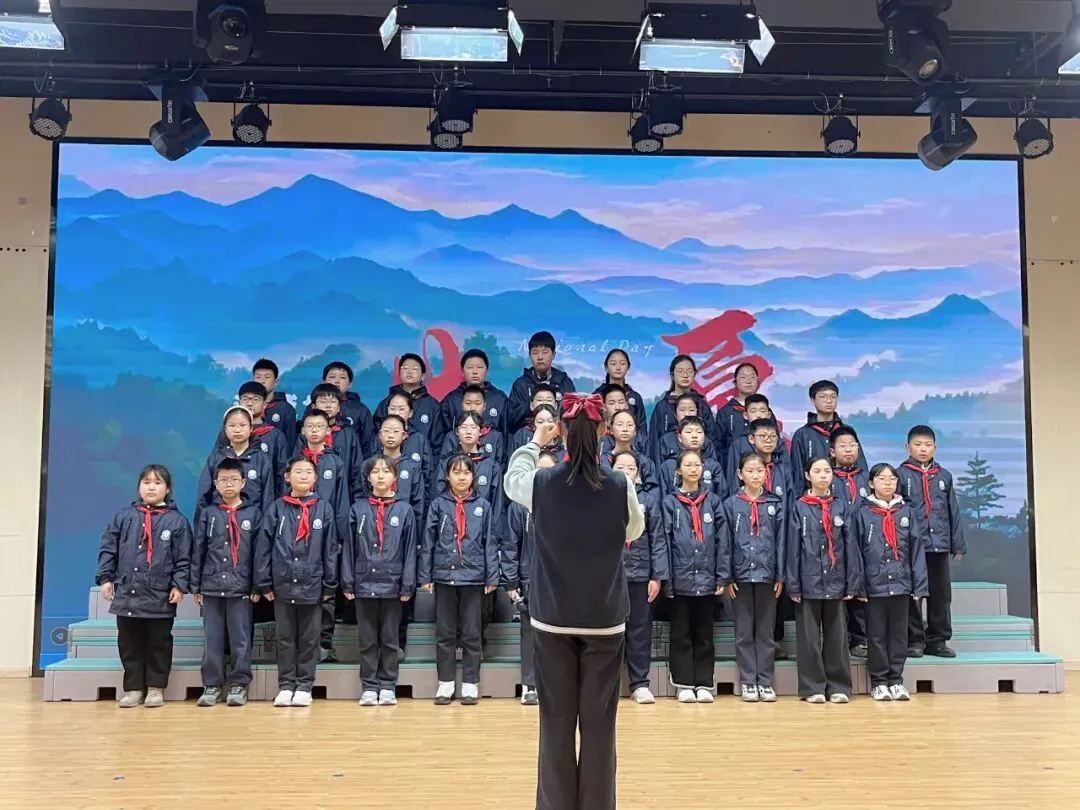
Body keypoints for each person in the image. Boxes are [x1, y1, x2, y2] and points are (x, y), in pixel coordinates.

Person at [504, 392, 645, 810]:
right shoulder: (619, 484)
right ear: (604, 430)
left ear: (560, 430)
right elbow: (634, 529)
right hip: (605, 619)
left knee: (555, 723)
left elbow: (512, 479)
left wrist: (536, 441)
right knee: (599, 727)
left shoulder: (543, 482)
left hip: (552, 619)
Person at [95, 464, 192, 709]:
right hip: (128, 592)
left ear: (167, 489)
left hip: (159, 594)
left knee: (159, 643)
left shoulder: (177, 521)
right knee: (129, 643)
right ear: (139, 487)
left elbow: (184, 558)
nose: (151, 487)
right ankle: (134, 688)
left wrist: (179, 585)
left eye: (158, 483)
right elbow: (109, 549)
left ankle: (156, 688)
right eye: (147, 482)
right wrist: (106, 578)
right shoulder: (124, 517)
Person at [254, 456, 339, 708]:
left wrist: (330, 584)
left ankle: (304, 686)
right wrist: (264, 582)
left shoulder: (323, 509)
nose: (303, 476)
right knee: (285, 638)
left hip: (312, 585)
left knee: (309, 639)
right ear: (287, 477)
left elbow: (329, 549)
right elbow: (264, 547)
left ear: (315, 478)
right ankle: (286, 685)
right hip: (282, 585)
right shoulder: (277, 508)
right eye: (298, 471)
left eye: (308, 472)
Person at [420, 454, 499, 706]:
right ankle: (445, 683)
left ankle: (470, 683)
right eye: (456, 472)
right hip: (444, 576)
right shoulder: (438, 505)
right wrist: (425, 575)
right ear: (447, 476)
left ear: (473, 476)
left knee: (472, 633)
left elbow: (489, 542)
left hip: (473, 577)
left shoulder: (483, 506)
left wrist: (492, 575)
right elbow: (429, 541)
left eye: (466, 472)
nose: (461, 477)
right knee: (444, 633)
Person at [849, 463, 929, 701]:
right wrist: (859, 585)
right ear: (871, 483)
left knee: (898, 635)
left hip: (901, 584)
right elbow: (855, 552)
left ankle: (896, 680)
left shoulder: (906, 513)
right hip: (873, 585)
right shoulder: (862, 513)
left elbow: (916, 550)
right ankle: (879, 681)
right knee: (875, 635)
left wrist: (919, 585)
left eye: (892, 479)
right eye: (882, 478)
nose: (887, 482)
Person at [343, 455, 418, 707]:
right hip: (364, 583)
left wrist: (407, 584)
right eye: (376, 471)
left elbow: (409, 550)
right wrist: (348, 581)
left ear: (394, 477)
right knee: (367, 639)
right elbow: (349, 548)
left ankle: (387, 685)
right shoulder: (358, 509)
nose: (381, 476)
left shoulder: (404, 510)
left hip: (393, 584)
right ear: (368, 477)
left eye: (386, 471)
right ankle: (369, 686)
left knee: (389, 639)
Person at [787, 458, 863, 704]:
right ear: (807, 476)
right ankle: (813, 688)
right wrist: (793, 583)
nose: (823, 475)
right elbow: (792, 549)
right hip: (807, 581)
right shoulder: (799, 507)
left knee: (837, 636)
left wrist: (852, 582)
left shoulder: (841, 506)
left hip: (836, 580)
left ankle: (839, 686)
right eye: (817, 471)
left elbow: (850, 546)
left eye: (827, 471)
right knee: (808, 639)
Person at [192, 458, 261, 708]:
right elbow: (199, 549)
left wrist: (257, 585)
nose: (229, 484)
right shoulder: (209, 513)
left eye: (234, 479)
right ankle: (212, 684)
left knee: (240, 639)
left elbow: (259, 553)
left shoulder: (253, 514)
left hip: (241, 587)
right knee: (212, 639)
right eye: (223, 480)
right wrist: (196, 585)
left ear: (243, 482)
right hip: (211, 585)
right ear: (215, 483)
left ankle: (239, 684)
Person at [662, 449, 727, 703]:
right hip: (680, 579)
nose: (693, 469)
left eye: (697, 465)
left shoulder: (713, 501)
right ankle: (683, 683)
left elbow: (722, 541)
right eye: (688, 465)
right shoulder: (670, 503)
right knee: (681, 634)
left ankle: (704, 683)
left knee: (704, 634)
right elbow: (665, 543)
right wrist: (667, 579)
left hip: (707, 578)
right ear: (678, 470)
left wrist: (721, 576)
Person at [722, 451, 785, 703]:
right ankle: (749, 681)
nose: (755, 475)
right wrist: (728, 576)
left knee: (765, 632)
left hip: (768, 575)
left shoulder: (775, 504)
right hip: (740, 577)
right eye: (750, 471)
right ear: (740, 474)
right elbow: (725, 543)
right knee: (744, 632)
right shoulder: (731, 504)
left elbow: (781, 542)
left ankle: (765, 682)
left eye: (760, 471)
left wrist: (780, 575)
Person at [898, 425, 966, 658]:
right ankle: (914, 640)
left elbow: (952, 511)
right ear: (908, 447)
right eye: (917, 444)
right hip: (913, 547)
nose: (923, 449)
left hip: (939, 544)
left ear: (935, 448)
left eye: (927, 445)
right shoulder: (900, 475)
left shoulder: (944, 476)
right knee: (914, 594)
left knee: (941, 594)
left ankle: (937, 640)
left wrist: (957, 544)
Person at [502, 452, 560, 706]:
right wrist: (511, 581)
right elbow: (510, 545)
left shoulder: (565, 502)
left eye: (548, 470)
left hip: (559, 580)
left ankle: (556, 684)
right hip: (529, 578)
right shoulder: (518, 506)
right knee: (530, 633)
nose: (542, 475)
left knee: (557, 633)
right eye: (538, 470)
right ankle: (530, 684)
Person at [612, 450, 668, 705]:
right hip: (610, 576)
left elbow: (658, 539)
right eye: (620, 468)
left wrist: (656, 576)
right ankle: (608, 683)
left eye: (631, 468)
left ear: (638, 473)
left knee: (640, 631)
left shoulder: (649, 501)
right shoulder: (602, 497)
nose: (626, 472)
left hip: (641, 574)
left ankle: (640, 684)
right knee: (610, 631)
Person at [194, 406, 275, 529]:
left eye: (242, 425)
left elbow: (267, 496)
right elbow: (203, 494)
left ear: (251, 428)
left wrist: (264, 529)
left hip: (252, 525)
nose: (237, 430)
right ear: (225, 429)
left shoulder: (261, 459)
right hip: (218, 524)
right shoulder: (216, 458)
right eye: (232, 425)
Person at [828, 425, 870, 658]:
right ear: (832, 451)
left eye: (852, 445)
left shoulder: (867, 477)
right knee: (839, 591)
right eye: (842, 446)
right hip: (836, 543)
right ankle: (838, 640)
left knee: (861, 590)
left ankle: (860, 639)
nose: (848, 450)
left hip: (863, 542)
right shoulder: (827, 476)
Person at [791, 380, 869, 474]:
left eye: (833, 397)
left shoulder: (847, 431)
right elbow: (797, 471)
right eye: (823, 397)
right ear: (813, 400)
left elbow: (861, 466)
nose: (829, 401)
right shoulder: (802, 434)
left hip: (844, 483)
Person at [648, 355, 718, 462]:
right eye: (680, 371)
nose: (685, 375)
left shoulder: (701, 405)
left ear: (694, 375)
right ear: (672, 375)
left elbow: (712, 437)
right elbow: (654, 440)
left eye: (689, 371)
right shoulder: (662, 406)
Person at [507, 330, 576, 433]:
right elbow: (511, 420)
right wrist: (533, 404)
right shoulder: (521, 384)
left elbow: (573, 418)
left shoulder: (565, 383)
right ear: (530, 355)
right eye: (535, 353)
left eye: (545, 352)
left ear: (554, 354)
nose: (540, 357)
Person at [298, 408, 351, 541]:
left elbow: (341, 499)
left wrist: (341, 536)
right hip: (297, 522)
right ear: (303, 430)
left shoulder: (336, 462)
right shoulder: (295, 462)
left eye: (319, 426)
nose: (314, 430)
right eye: (310, 426)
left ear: (328, 430)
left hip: (327, 524)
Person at [374, 353, 444, 449]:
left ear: (423, 376)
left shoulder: (432, 405)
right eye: (405, 368)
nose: (409, 372)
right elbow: (376, 435)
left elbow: (438, 442)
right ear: (399, 373)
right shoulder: (387, 402)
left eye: (415, 369)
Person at [440, 348, 510, 438]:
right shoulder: (451, 400)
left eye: (480, 367)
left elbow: (506, 432)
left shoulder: (499, 398)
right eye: (470, 368)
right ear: (462, 370)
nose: (475, 372)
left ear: (487, 370)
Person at [238, 381, 289, 494]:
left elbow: (281, 471)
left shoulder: (275, 435)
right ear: (239, 402)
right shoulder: (230, 433)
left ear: (265, 404)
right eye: (245, 399)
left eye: (255, 399)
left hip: (266, 496)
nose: (250, 403)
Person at [658, 416, 725, 498]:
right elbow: (662, 497)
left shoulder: (713, 466)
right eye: (688, 432)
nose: (694, 436)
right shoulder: (668, 466)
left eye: (699, 432)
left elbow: (722, 496)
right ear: (679, 437)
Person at [438, 384, 506, 463]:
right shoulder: (451, 437)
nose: (473, 408)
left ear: (484, 406)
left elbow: (501, 465)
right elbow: (443, 465)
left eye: (477, 403)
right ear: (462, 405)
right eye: (468, 403)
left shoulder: (495, 436)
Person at [323, 361, 376, 458]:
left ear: (350, 384)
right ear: (323, 381)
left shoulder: (360, 409)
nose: (337, 381)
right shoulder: (314, 407)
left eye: (342, 377)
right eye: (332, 377)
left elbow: (368, 443)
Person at [600, 410, 658, 492]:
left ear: (635, 431)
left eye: (630, 425)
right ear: (611, 430)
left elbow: (653, 493)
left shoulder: (645, 462)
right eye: (620, 424)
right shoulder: (603, 461)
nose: (625, 429)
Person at [654, 392, 717, 467]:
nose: (687, 414)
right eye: (682, 410)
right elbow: (659, 469)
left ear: (697, 413)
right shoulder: (665, 441)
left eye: (691, 410)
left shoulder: (706, 442)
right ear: (675, 414)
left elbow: (714, 468)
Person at [595, 348, 647, 435]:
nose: (618, 368)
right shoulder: (597, 397)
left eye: (622, 363)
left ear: (628, 367)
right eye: (613, 364)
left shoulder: (635, 397)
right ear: (606, 367)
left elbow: (641, 429)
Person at [715, 362, 761, 460]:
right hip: (733, 464)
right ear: (735, 382)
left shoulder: (765, 410)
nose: (748, 381)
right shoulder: (725, 412)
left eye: (752, 377)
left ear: (758, 381)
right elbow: (718, 445)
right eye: (743, 377)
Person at [253, 358, 297, 450]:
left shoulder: (286, 409)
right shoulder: (245, 408)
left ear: (276, 382)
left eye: (267, 377)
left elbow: (291, 442)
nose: (262, 381)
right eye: (258, 377)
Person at [597, 384, 648, 455]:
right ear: (604, 407)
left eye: (621, 402)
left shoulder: (639, 437)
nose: (617, 407)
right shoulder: (597, 432)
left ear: (626, 405)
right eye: (612, 403)